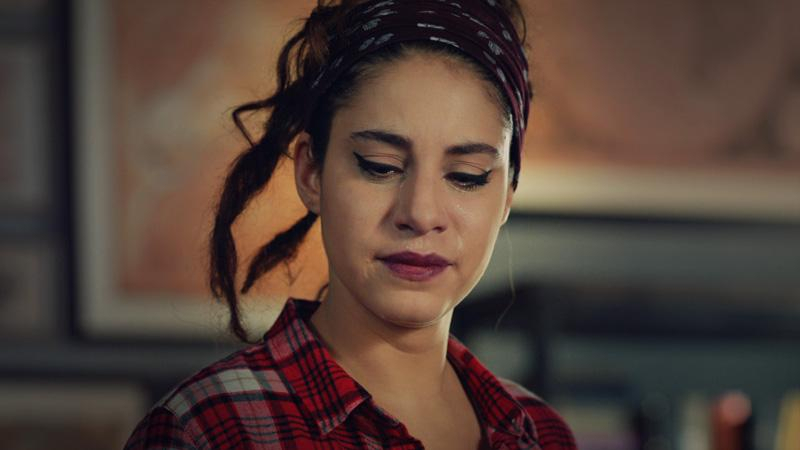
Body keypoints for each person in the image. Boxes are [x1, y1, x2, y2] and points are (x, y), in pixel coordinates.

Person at [124, 0, 576, 449]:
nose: (420, 214)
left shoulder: (543, 434)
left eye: (466, 176)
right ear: (311, 174)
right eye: (380, 166)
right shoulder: (208, 428)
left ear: (507, 196)